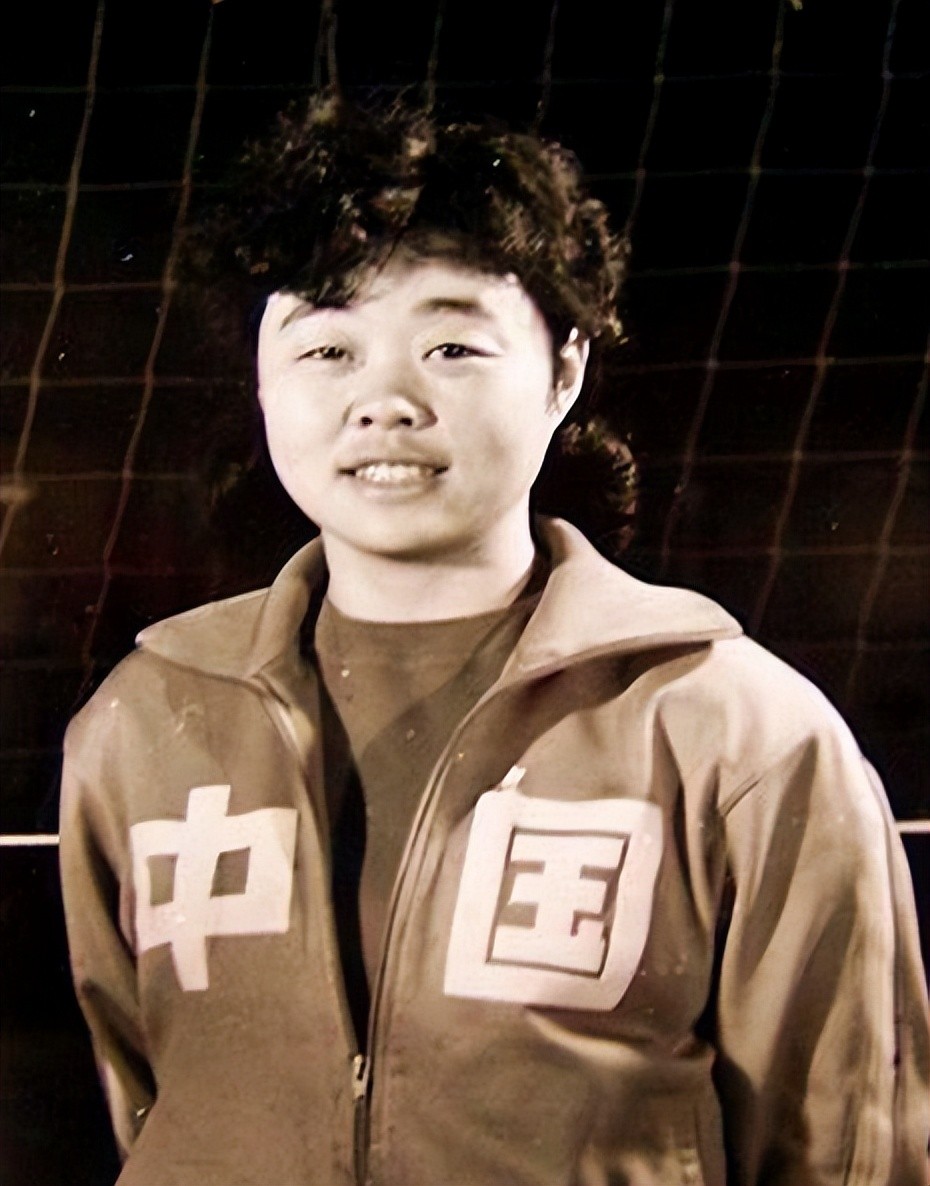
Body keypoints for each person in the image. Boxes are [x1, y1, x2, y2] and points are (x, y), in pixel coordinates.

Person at [59, 94, 929, 1186]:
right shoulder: (140, 720)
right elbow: (147, 1095)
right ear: (262, 378)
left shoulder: (739, 734)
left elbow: (848, 1149)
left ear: (565, 370)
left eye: (453, 345)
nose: (385, 399)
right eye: (327, 346)